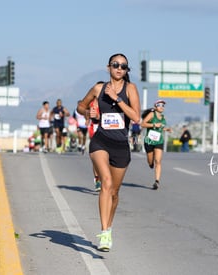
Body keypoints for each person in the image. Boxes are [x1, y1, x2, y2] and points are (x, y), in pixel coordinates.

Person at [77, 53, 140, 251]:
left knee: (114, 193)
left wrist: (117, 100)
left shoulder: (130, 89)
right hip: (100, 141)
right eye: (116, 65)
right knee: (106, 182)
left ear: (126, 70)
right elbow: (80, 105)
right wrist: (88, 113)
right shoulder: (98, 88)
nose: (119, 68)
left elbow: (136, 117)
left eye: (123, 66)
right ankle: (104, 233)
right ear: (108, 67)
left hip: (120, 146)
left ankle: (109, 227)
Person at [141, 99, 172, 190]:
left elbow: (161, 127)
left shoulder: (163, 117)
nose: (162, 107)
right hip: (149, 141)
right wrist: (154, 125)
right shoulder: (151, 115)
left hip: (159, 141)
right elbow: (143, 124)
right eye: (159, 105)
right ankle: (150, 163)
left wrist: (166, 129)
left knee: (158, 161)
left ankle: (157, 181)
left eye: (163, 105)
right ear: (155, 107)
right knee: (151, 162)